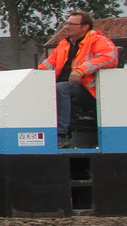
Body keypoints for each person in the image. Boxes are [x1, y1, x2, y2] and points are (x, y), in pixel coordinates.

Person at [38, 11, 118, 147]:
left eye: (72, 24)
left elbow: (110, 58)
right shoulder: (64, 45)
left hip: (87, 89)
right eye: (66, 23)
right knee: (41, 89)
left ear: (85, 27)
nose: (66, 27)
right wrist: (31, 78)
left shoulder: (98, 41)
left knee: (60, 88)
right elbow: (46, 66)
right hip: (66, 86)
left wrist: (81, 70)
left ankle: (62, 135)